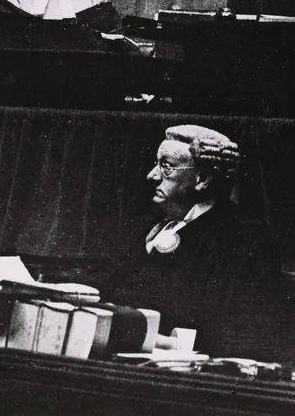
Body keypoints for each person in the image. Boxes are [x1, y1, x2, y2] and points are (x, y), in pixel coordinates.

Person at [102, 125, 284, 358]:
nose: (152, 175)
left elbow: (244, 336)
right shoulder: (144, 227)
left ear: (203, 179)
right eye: (156, 164)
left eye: (166, 166)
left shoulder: (245, 240)